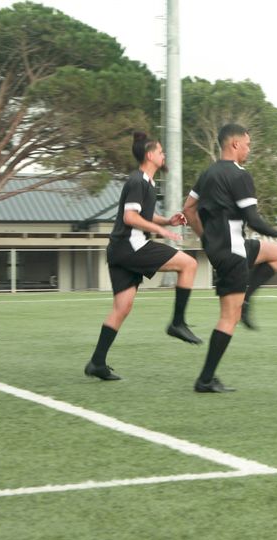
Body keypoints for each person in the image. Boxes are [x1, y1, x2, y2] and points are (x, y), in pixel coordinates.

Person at [182, 123, 277, 393]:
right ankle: (206, 379)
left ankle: (247, 297)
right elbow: (254, 220)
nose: (248, 150)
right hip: (233, 253)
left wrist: (206, 238)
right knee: (228, 319)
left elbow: (188, 209)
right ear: (234, 144)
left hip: (229, 247)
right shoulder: (239, 175)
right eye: (247, 144)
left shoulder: (207, 173)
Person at [84, 132, 201, 381]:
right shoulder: (138, 181)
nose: (164, 155)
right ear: (150, 155)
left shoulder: (147, 182)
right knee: (189, 264)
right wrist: (160, 230)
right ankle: (177, 323)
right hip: (131, 247)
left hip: (119, 250)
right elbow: (130, 218)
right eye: (160, 151)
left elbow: (142, 216)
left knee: (122, 308)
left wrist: (166, 220)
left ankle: (97, 362)